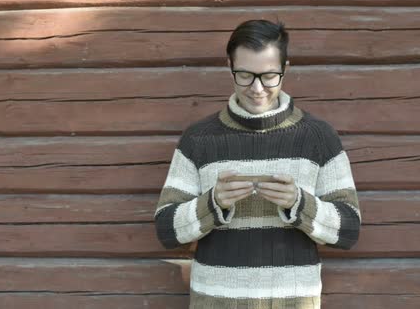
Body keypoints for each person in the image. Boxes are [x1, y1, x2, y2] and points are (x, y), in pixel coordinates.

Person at [153, 19, 361, 309]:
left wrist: (299, 204)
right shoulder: (198, 139)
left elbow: (348, 228)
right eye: (245, 75)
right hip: (215, 302)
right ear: (230, 67)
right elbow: (167, 228)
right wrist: (212, 204)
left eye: (269, 75)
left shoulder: (317, 137)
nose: (257, 88)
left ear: (285, 68)